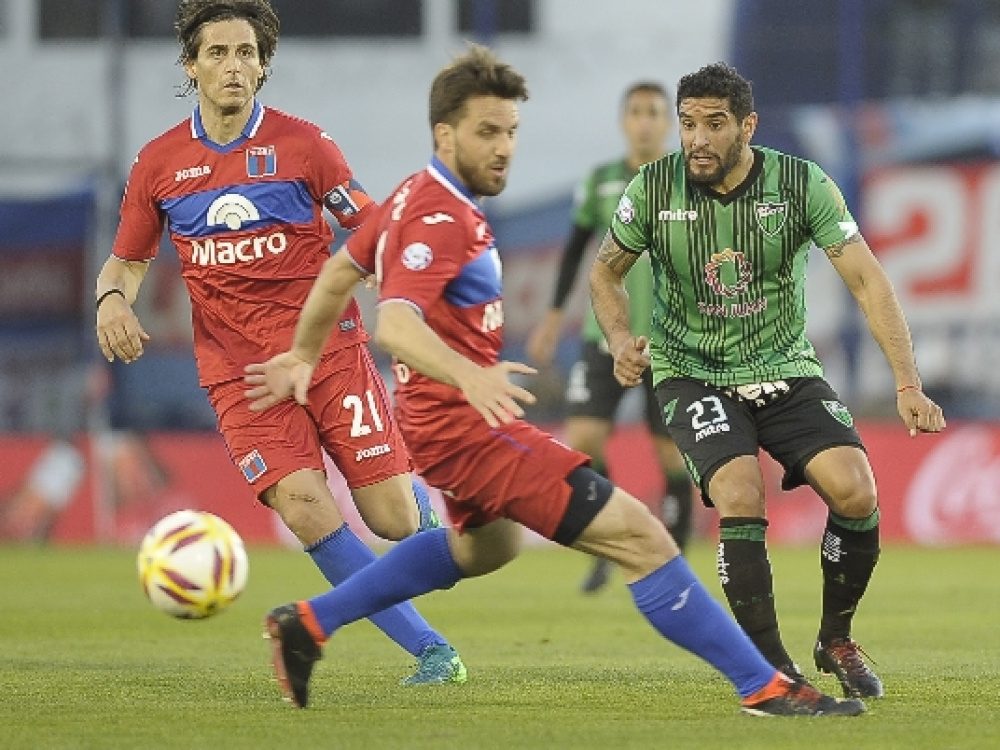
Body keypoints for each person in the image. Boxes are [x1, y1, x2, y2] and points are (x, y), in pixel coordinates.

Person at [245, 44, 863, 718]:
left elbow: (340, 273)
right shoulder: (438, 215)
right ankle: (766, 687)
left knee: (483, 548)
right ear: (444, 134)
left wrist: (304, 354)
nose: (504, 147)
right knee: (643, 538)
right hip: (466, 427)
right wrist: (469, 376)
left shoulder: (412, 196)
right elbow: (394, 321)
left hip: (440, 425)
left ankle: (306, 622)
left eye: (510, 130)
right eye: (487, 132)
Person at [94, 0, 464, 685]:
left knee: (391, 521)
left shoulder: (305, 147)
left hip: (328, 352)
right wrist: (111, 297)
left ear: (263, 66)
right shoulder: (160, 164)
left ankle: (437, 506)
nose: (232, 66)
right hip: (238, 373)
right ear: (192, 66)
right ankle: (433, 652)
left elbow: (372, 229)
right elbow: (128, 260)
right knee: (303, 505)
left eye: (245, 53)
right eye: (217, 53)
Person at [589, 61, 947, 699]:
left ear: (747, 126)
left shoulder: (802, 184)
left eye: (715, 125)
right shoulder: (652, 188)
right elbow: (605, 273)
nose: (697, 139)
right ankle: (771, 669)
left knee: (856, 491)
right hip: (692, 372)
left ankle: (835, 638)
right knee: (740, 490)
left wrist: (907, 382)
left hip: (783, 367)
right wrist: (619, 338)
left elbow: (867, 280)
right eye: (688, 124)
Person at [526, 81, 693, 594]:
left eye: (654, 113)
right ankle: (605, 547)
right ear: (624, 121)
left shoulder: (687, 180)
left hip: (669, 342)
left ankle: (675, 561)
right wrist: (554, 318)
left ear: (667, 123)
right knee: (584, 440)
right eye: (636, 112)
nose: (645, 121)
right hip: (606, 338)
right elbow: (577, 253)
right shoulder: (600, 182)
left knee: (671, 457)